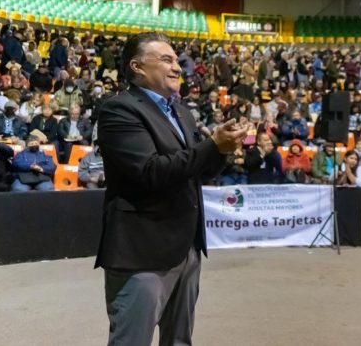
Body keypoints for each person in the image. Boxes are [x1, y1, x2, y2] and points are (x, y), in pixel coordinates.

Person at [95, 33, 247, 346]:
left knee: (179, 341)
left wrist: (222, 150)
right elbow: (151, 172)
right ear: (137, 67)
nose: (177, 67)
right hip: (142, 252)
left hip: (187, 248)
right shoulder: (118, 110)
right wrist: (211, 145)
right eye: (166, 60)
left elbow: (200, 170)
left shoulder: (182, 112)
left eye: (177, 60)